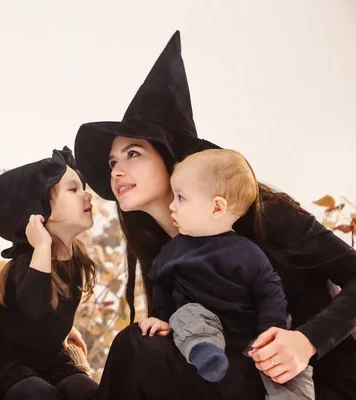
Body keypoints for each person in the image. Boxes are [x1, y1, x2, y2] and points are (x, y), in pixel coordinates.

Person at [74, 31, 356, 399]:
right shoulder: (163, 250)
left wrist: (306, 341)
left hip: (312, 381)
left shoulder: (263, 215)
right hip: (232, 372)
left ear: (170, 155)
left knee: (140, 349)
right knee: (139, 341)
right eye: (112, 162)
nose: (116, 171)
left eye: (133, 154)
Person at [142, 148, 313, 399]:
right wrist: (160, 317)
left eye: (181, 198)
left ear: (217, 207)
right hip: (206, 327)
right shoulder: (173, 251)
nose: (172, 205)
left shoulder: (246, 251)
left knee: (290, 370)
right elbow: (161, 285)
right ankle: (206, 354)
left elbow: (269, 292)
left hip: (251, 334)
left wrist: (270, 332)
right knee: (187, 315)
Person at [0, 147, 99, 400]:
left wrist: (62, 327)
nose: (86, 195)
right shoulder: (27, 262)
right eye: (73, 189)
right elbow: (34, 306)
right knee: (41, 396)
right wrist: (43, 246)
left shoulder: (76, 261)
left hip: (48, 359)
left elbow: (50, 309)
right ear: (41, 211)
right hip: (2, 366)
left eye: (82, 187)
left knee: (92, 394)